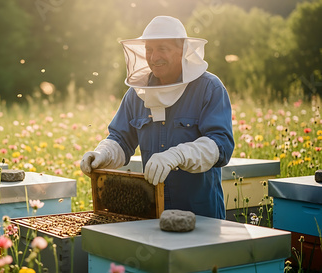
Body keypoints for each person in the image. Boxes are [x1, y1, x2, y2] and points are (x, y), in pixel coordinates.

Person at [80, 16, 234, 219]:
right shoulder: (137, 93)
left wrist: (177, 155)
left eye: (163, 48)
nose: (154, 57)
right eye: (149, 50)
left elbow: (221, 145)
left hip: (201, 214)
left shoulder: (208, 88)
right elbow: (120, 139)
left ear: (183, 50)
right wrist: (102, 154)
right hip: (153, 216)